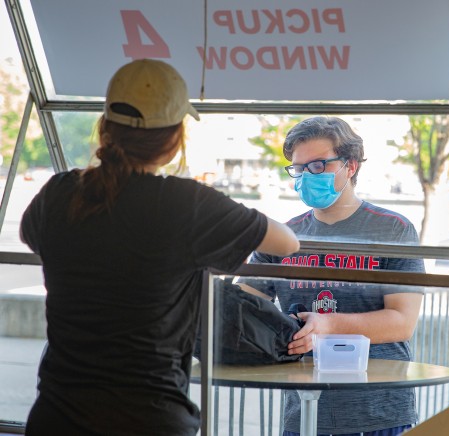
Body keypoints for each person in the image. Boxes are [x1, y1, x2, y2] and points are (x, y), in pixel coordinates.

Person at [20, 59, 299, 436]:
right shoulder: (186, 204)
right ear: (173, 140)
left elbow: (31, 235)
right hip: (149, 420)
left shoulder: (60, 193)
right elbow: (286, 242)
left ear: (105, 128)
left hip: (57, 415)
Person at [243, 116, 425, 435]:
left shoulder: (392, 229)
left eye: (317, 166)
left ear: (350, 166)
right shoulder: (284, 237)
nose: (305, 177)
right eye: (298, 169)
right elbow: (241, 307)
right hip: (305, 410)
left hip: (378, 411)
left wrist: (327, 325)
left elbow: (402, 322)